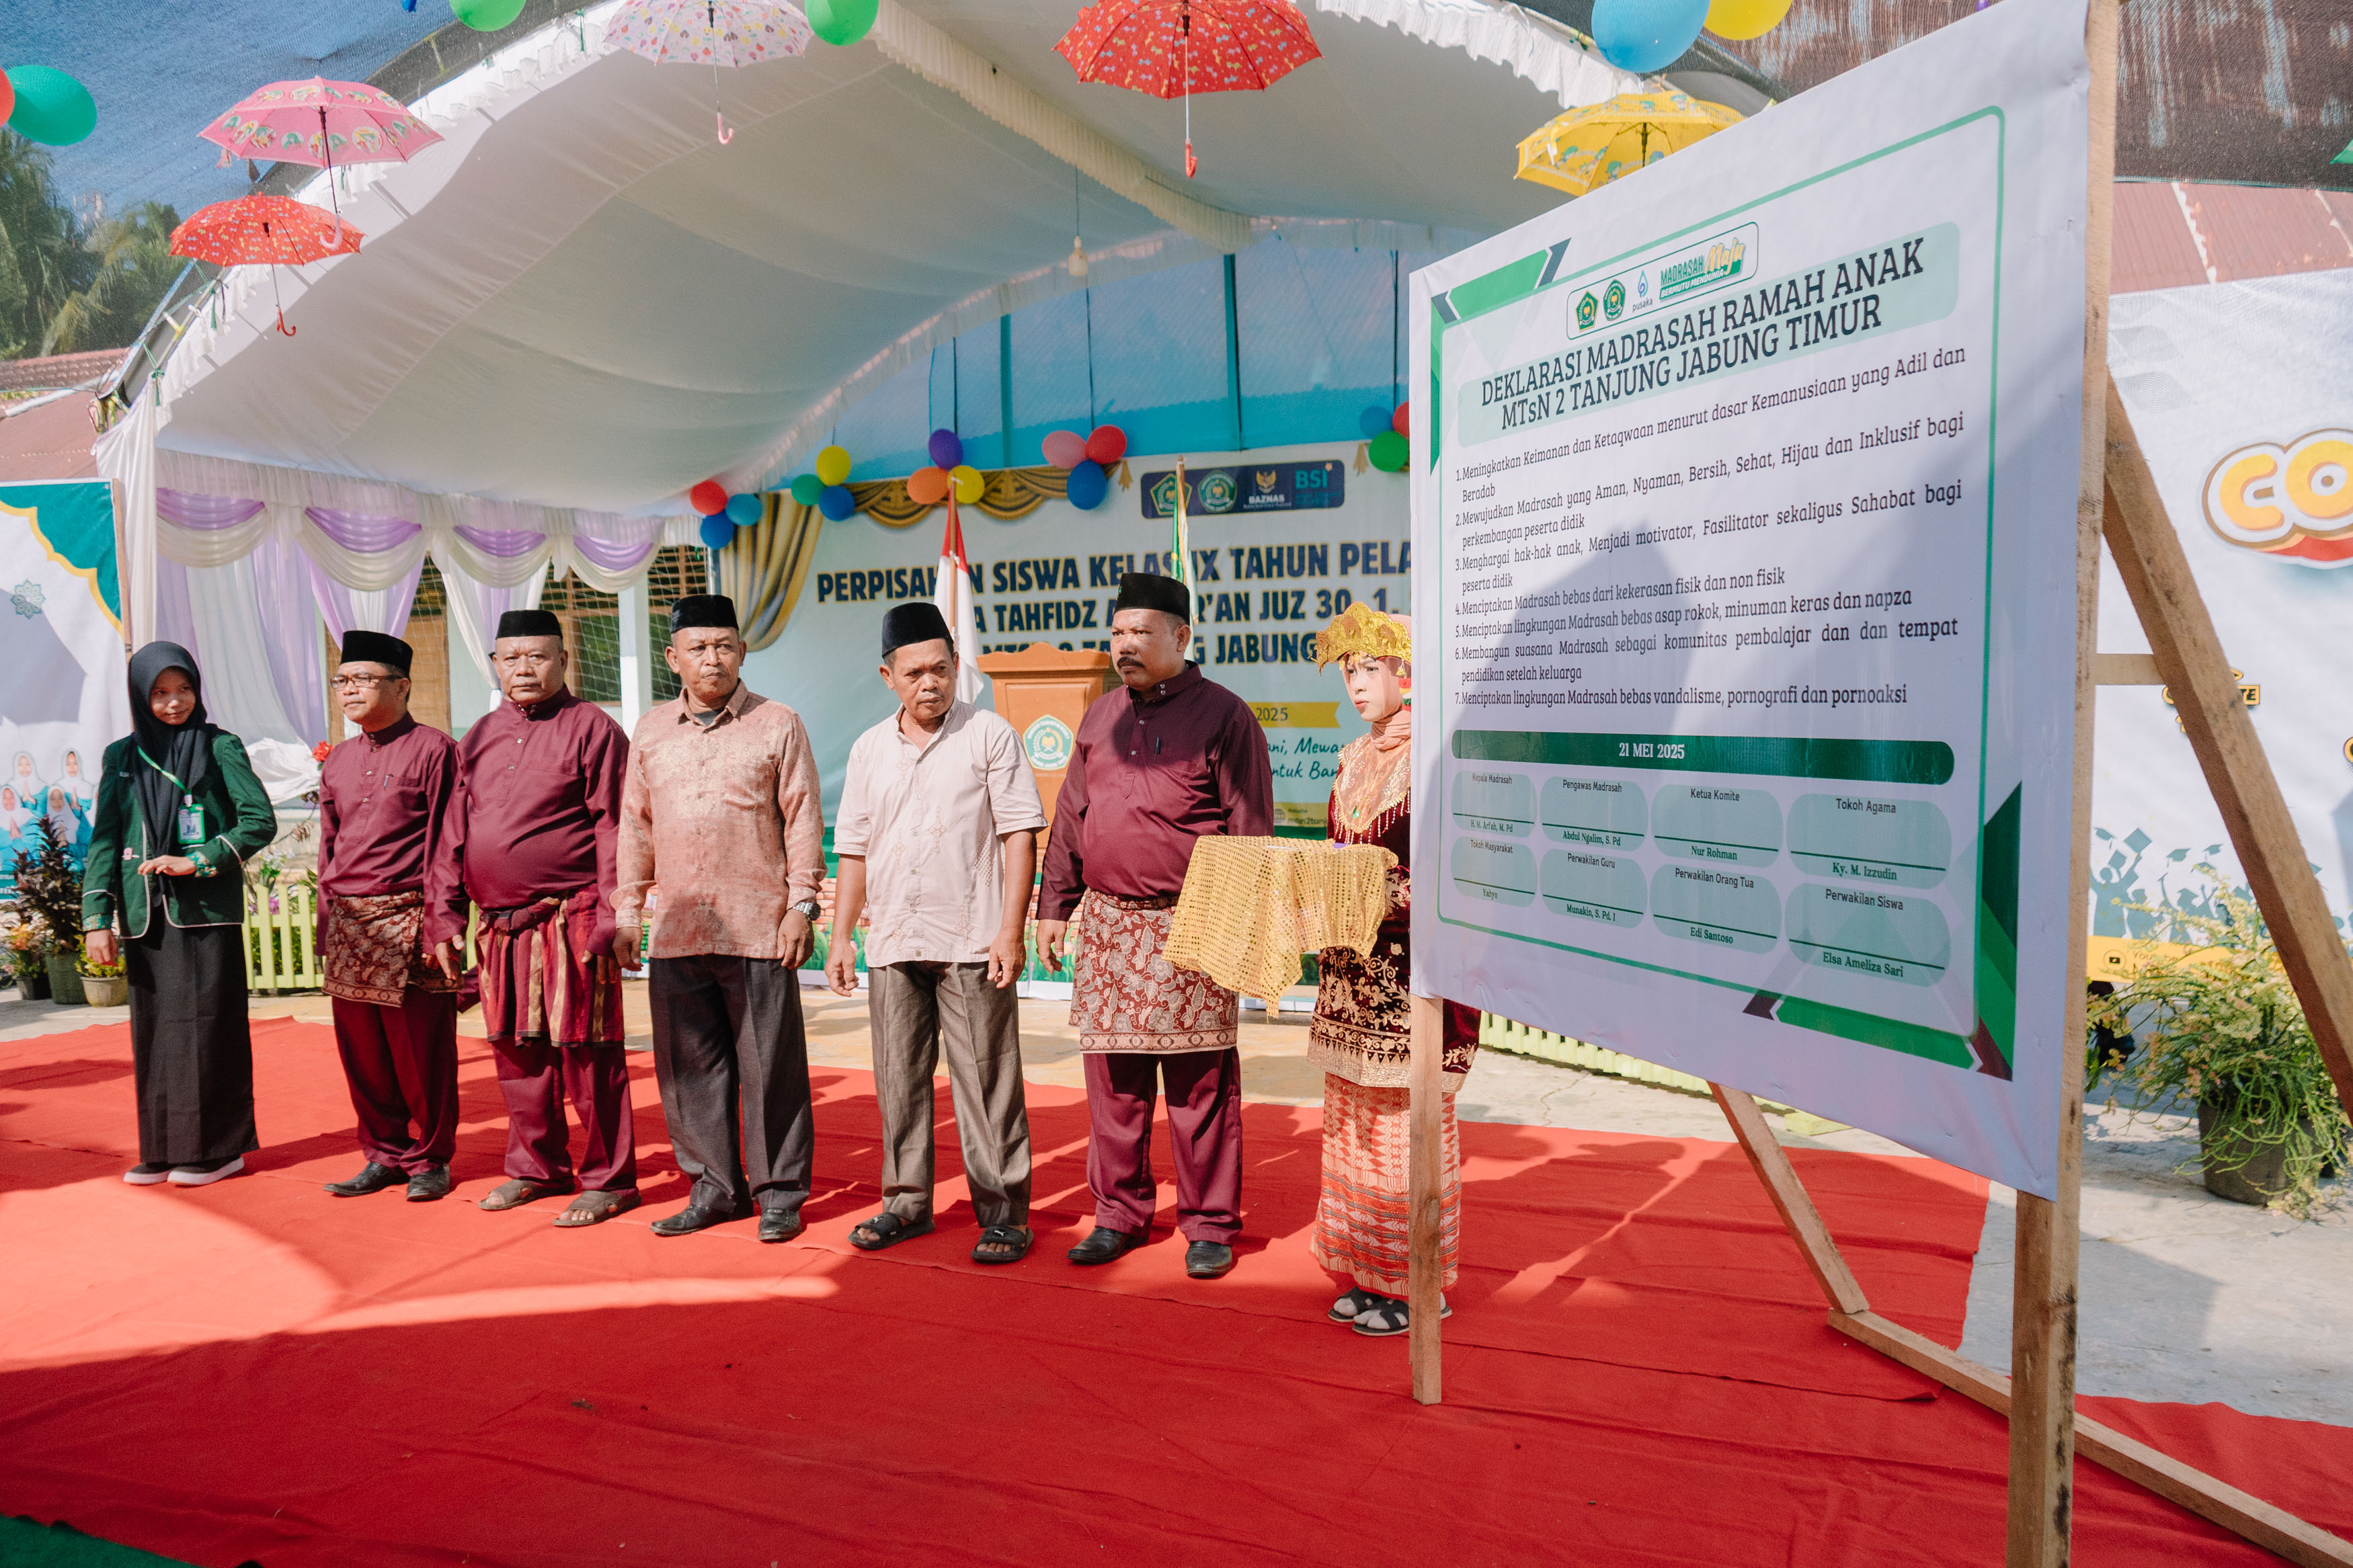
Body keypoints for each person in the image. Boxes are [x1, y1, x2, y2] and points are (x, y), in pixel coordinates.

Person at [1037, 573, 1273, 1279]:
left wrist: (1240, 932)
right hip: (1109, 925)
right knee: (1113, 1080)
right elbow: (1070, 816)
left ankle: (1208, 1224)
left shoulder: (1226, 717)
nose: (1125, 645)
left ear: (1182, 637)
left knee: (1200, 1083)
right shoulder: (1099, 716)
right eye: (1116, 633)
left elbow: (1249, 830)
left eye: (1141, 632)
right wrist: (1054, 905)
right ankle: (1118, 1213)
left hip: (1192, 920)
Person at [826, 602, 1047, 1264]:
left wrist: (1011, 929)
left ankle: (1004, 1212)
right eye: (915, 672)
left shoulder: (989, 735)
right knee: (898, 1075)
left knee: (986, 1078)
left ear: (956, 667)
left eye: (942, 669)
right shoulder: (867, 748)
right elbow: (855, 848)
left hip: (972, 937)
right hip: (893, 938)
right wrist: (842, 937)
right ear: (887, 674)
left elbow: (1018, 835)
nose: (931, 684)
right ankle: (905, 1201)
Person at [615, 594, 826, 1242]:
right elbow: (635, 826)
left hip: (758, 925)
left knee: (771, 1068)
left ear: (742, 650)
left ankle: (779, 1194)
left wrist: (801, 904)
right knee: (688, 1071)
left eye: (725, 645)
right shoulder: (650, 731)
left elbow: (803, 819)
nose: (713, 658)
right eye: (699, 648)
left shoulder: (777, 722)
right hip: (678, 928)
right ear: (673, 657)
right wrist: (629, 910)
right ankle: (714, 1188)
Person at [1306, 605, 1482, 1337]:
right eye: (1348, 670)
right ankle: (1367, 1272)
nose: (1355, 681)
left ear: (1408, 671)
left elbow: (1462, 875)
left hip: (1415, 979)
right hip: (1352, 978)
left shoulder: (1442, 754)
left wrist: (1373, 889)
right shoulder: (1352, 756)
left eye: (1368, 667)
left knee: (1406, 1133)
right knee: (1351, 1127)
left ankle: (1417, 1285)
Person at [455, 608, 639, 1227]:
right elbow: (454, 834)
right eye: (512, 657)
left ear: (564, 660)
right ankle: (536, 1166)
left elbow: (616, 824)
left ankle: (610, 1179)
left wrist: (616, 911)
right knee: (517, 1050)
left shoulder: (593, 728)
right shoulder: (478, 735)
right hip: (499, 924)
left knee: (587, 1050)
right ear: (496, 664)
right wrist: (446, 915)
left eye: (538, 656)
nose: (525, 668)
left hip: (574, 915)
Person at [81, 642, 278, 1186]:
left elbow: (258, 820)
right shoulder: (121, 756)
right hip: (146, 913)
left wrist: (200, 859)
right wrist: (97, 917)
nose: (173, 703)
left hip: (203, 911)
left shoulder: (220, 747)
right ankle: (163, 1145)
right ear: (141, 696)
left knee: (208, 1028)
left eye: (183, 690)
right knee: (156, 1032)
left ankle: (220, 1148)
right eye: (161, 693)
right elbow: (105, 839)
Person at [315, 630, 469, 1203]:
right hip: (352, 923)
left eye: (362, 679)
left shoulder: (435, 750)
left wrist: (441, 923)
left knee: (421, 1050)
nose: (348, 690)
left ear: (401, 686)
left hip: (410, 917)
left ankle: (430, 1157)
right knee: (363, 1053)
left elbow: (447, 842)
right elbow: (329, 845)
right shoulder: (341, 759)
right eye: (342, 680)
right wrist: (326, 922)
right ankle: (382, 1152)